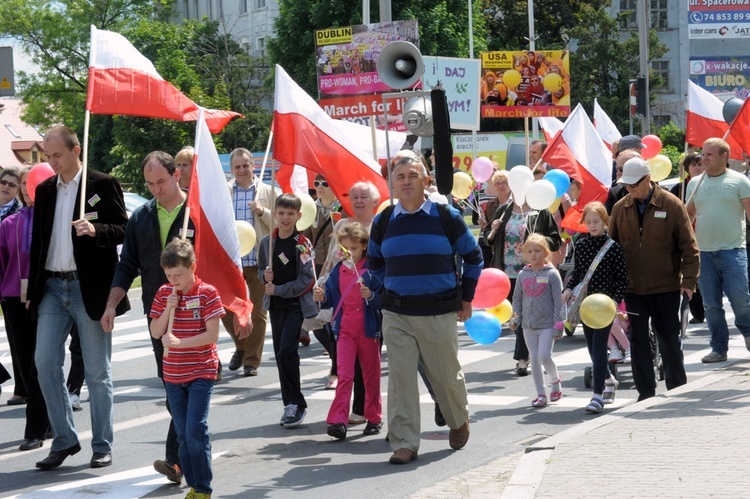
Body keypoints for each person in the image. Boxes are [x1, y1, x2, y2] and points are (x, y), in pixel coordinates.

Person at [368, 154, 483, 465]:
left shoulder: (446, 215)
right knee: (401, 378)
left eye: (412, 175)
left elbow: (473, 257)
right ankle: (405, 442)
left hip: (438, 311)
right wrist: (385, 288)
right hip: (397, 313)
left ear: (426, 180)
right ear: (392, 183)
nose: (406, 181)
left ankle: (458, 419)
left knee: (445, 376)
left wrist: (466, 297)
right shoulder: (383, 221)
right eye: (400, 176)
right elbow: (374, 262)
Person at [30, 125, 129, 470]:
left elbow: (123, 229)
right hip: (53, 290)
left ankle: (102, 444)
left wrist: (96, 230)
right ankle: (64, 440)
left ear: (76, 150)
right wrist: (33, 291)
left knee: (97, 372)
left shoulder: (101, 184)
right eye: (48, 155)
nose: (52, 161)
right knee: (44, 364)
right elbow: (38, 244)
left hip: (90, 289)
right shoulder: (44, 191)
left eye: (57, 154)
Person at [101, 151, 196, 483]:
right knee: (172, 386)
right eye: (150, 183)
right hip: (159, 314)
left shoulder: (196, 212)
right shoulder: (140, 217)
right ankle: (185, 454)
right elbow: (126, 266)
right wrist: (112, 305)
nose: (156, 189)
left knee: (188, 386)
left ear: (177, 176)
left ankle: (177, 458)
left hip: (196, 313)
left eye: (162, 181)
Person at [610, 158, 699, 400]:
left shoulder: (672, 204)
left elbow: (690, 248)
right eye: (625, 185)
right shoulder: (620, 207)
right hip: (633, 289)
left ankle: (678, 389)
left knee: (669, 339)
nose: (629, 189)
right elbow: (612, 249)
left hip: (666, 287)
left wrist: (688, 283)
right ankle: (645, 393)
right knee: (638, 341)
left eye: (633, 185)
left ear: (648, 179)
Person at [150, 239, 224, 499]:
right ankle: (193, 484)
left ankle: (203, 488)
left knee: (195, 430)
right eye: (169, 275)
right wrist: (167, 308)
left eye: (178, 274)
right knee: (182, 436)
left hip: (201, 371)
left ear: (193, 267)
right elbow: (156, 331)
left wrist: (181, 343)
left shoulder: (207, 293)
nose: (173, 280)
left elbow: (212, 334)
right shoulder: (163, 293)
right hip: (173, 375)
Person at [314, 222, 383, 440]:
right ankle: (338, 420)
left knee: (371, 376)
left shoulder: (373, 271)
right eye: (345, 249)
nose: (349, 253)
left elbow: (384, 300)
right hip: (344, 329)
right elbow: (331, 301)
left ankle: (374, 417)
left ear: (364, 246)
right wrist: (322, 297)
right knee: (344, 375)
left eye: (353, 248)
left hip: (368, 330)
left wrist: (371, 296)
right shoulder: (337, 271)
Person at [686, 138, 750, 363]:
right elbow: (689, 216)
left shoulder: (740, 181)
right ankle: (718, 348)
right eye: (703, 154)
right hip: (704, 252)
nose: (704, 158)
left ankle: (748, 333)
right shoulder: (695, 184)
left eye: (710, 155)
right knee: (711, 304)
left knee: (740, 299)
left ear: (724, 156)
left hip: (733, 251)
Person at [484, 193, 561, 377]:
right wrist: (493, 230)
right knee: (516, 313)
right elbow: (488, 238)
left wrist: (538, 242)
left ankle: (522, 358)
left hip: (532, 273)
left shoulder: (540, 211)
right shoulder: (505, 210)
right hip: (505, 273)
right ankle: (527, 355)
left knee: (522, 313)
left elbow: (555, 240)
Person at [0, 166, 50, 450]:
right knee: (26, 362)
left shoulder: (54, 222)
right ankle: (44, 423)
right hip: (15, 301)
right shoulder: (8, 224)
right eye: (26, 186)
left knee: (44, 363)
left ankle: (38, 426)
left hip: (48, 298)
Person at [258, 193, 317, 428]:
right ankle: (289, 404)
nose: (285, 218)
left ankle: (297, 403)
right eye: (281, 213)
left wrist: (280, 289)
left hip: (295, 307)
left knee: (286, 352)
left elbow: (307, 278)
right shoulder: (267, 243)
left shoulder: (303, 244)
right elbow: (262, 269)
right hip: (275, 308)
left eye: (290, 214)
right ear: (274, 214)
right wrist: (265, 276)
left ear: (298, 216)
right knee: (282, 356)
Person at [563, 201, 628, 413]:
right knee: (592, 349)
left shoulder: (613, 247)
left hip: (605, 306)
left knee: (600, 349)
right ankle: (609, 380)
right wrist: (568, 289)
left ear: (605, 222)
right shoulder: (581, 245)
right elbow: (578, 274)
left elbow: (622, 279)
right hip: (587, 306)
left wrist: (615, 302)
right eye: (588, 221)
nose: (592, 225)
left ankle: (597, 396)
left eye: (596, 221)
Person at [223, 147, 272, 377]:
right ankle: (241, 346)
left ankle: (251, 361)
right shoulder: (224, 192)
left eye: (245, 165)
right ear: (232, 169)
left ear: (253, 165)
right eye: (237, 167)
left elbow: (281, 222)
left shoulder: (268, 191)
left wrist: (263, 211)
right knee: (224, 309)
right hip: (231, 262)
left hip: (258, 261)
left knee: (258, 312)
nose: (242, 170)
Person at [509, 234, 563, 408]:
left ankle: (555, 380)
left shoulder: (552, 275)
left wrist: (558, 326)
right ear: (524, 254)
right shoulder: (522, 275)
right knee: (534, 358)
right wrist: (516, 319)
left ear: (546, 252)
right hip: (528, 326)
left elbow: (559, 302)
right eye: (530, 251)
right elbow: (517, 299)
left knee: (544, 357)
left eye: (538, 251)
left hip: (547, 324)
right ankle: (541, 394)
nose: (534, 254)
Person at [303, 174, 344, 386]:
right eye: (316, 183)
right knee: (313, 318)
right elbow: (305, 239)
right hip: (315, 268)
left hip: (337, 269)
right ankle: (337, 357)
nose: (319, 187)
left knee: (334, 319)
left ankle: (336, 369)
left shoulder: (343, 208)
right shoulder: (312, 208)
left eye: (324, 183)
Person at [0, 166, 25, 406]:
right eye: (4, 182)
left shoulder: (18, 214)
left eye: (12, 184)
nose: (6, 187)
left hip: (10, 282)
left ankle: (21, 387)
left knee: (15, 338)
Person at [671, 152, 705, 324]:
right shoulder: (678, 189)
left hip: (705, 235)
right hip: (687, 236)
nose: (698, 168)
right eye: (694, 165)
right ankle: (698, 312)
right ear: (687, 169)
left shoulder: (709, 184)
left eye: (700, 164)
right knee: (691, 274)